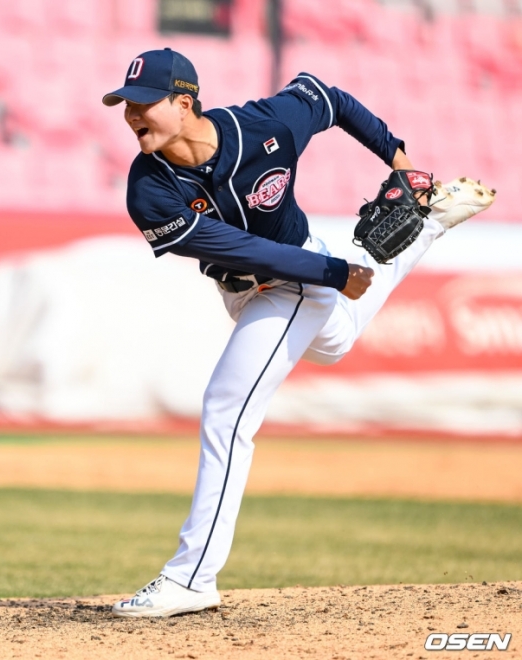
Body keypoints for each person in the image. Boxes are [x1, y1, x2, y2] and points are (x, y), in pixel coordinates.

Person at [102, 48, 495, 618]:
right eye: (126, 104)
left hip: (290, 284)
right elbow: (240, 248)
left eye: (144, 102)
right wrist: (337, 272)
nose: (132, 114)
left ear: (184, 104)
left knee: (226, 409)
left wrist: (400, 160)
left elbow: (329, 100)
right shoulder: (149, 189)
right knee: (335, 343)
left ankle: (191, 577)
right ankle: (428, 224)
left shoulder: (263, 125)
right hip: (266, 281)